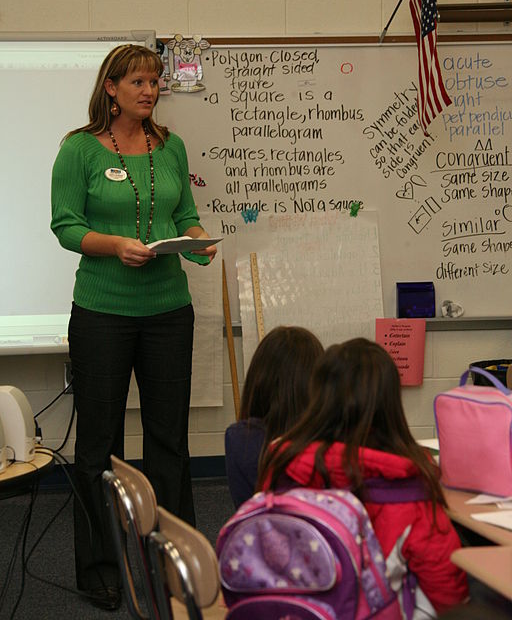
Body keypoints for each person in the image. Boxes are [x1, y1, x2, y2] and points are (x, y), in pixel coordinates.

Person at [51, 44, 217, 611]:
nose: (150, 90)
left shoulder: (170, 147)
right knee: (99, 445)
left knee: (169, 441)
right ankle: (99, 565)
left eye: (155, 81)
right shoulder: (79, 150)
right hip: (102, 313)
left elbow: (183, 213)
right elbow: (66, 226)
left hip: (169, 311)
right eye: (139, 81)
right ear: (111, 89)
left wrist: (197, 242)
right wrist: (116, 246)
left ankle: (174, 559)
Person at [258, 338, 469, 616]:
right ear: (390, 402)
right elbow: (445, 586)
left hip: (290, 608)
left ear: (318, 395)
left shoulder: (282, 461)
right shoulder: (410, 479)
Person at [224, 325, 323, 509]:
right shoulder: (330, 442)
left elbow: (245, 508)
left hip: (259, 533)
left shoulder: (238, 438)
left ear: (258, 378)